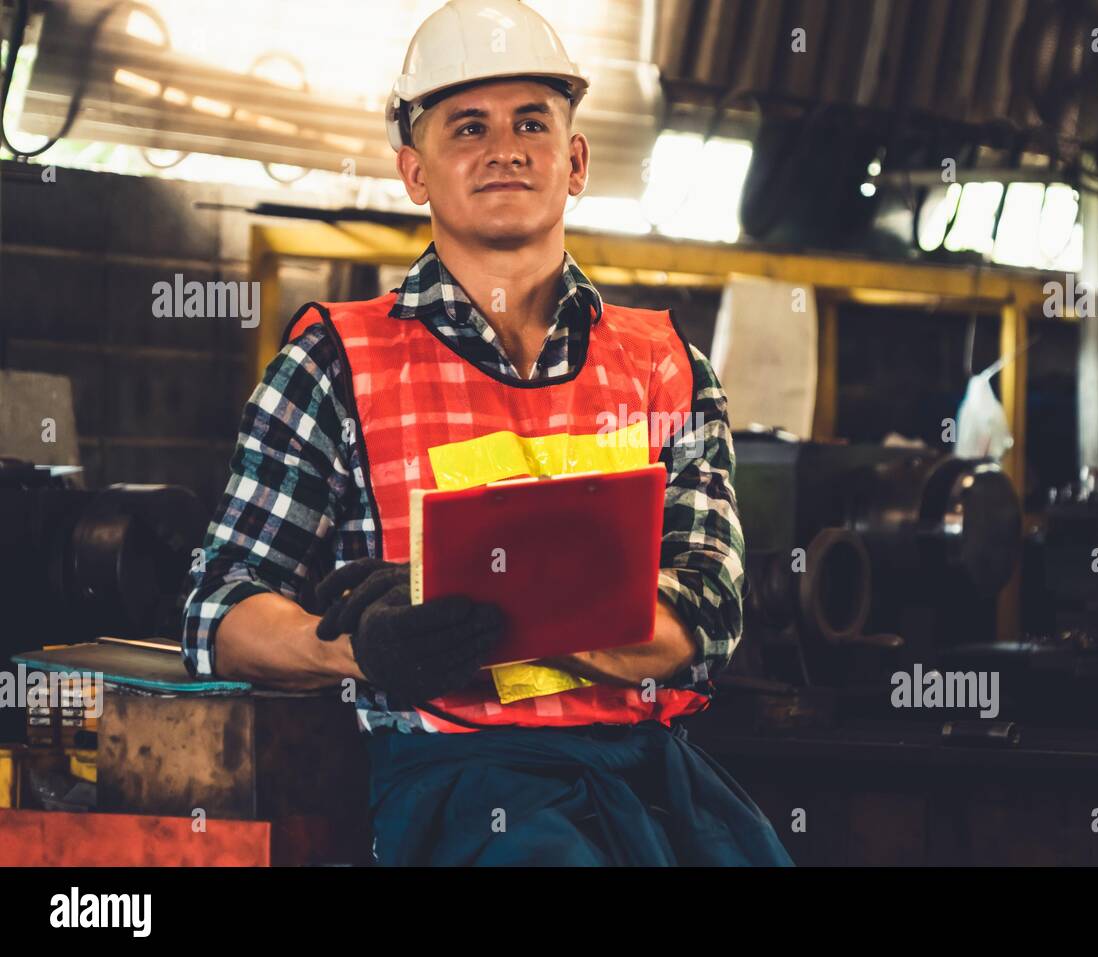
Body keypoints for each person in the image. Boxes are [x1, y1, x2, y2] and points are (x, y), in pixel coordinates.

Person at [181, 0, 792, 867]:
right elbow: (218, 610)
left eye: (531, 122)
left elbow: (707, 613)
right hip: (461, 785)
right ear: (413, 171)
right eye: (467, 125)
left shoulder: (666, 367)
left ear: (574, 161)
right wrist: (362, 645)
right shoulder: (333, 365)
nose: (505, 147)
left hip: (659, 779)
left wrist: (497, 612)